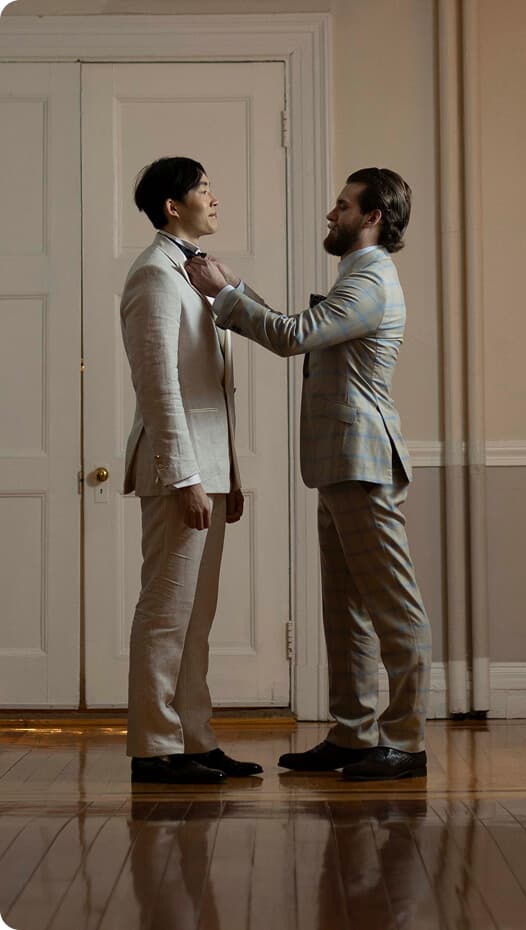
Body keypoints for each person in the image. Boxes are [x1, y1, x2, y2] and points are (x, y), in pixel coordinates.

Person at [186, 167, 432, 781]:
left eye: (343, 206)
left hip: (364, 464)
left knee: (393, 608)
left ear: (371, 217)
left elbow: (294, 335)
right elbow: (300, 326)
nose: (331, 213)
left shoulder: (371, 279)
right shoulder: (356, 277)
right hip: (340, 463)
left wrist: (224, 295)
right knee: (344, 609)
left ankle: (406, 742)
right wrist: (236, 287)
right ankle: (353, 735)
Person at [121, 156, 262, 784]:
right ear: (173, 206)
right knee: (166, 613)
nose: (214, 198)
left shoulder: (197, 273)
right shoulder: (153, 275)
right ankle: (154, 748)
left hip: (211, 474)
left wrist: (228, 475)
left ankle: (195, 739)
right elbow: (159, 388)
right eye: (204, 188)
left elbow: (213, 388)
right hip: (179, 475)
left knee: (196, 619)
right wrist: (186, 478)